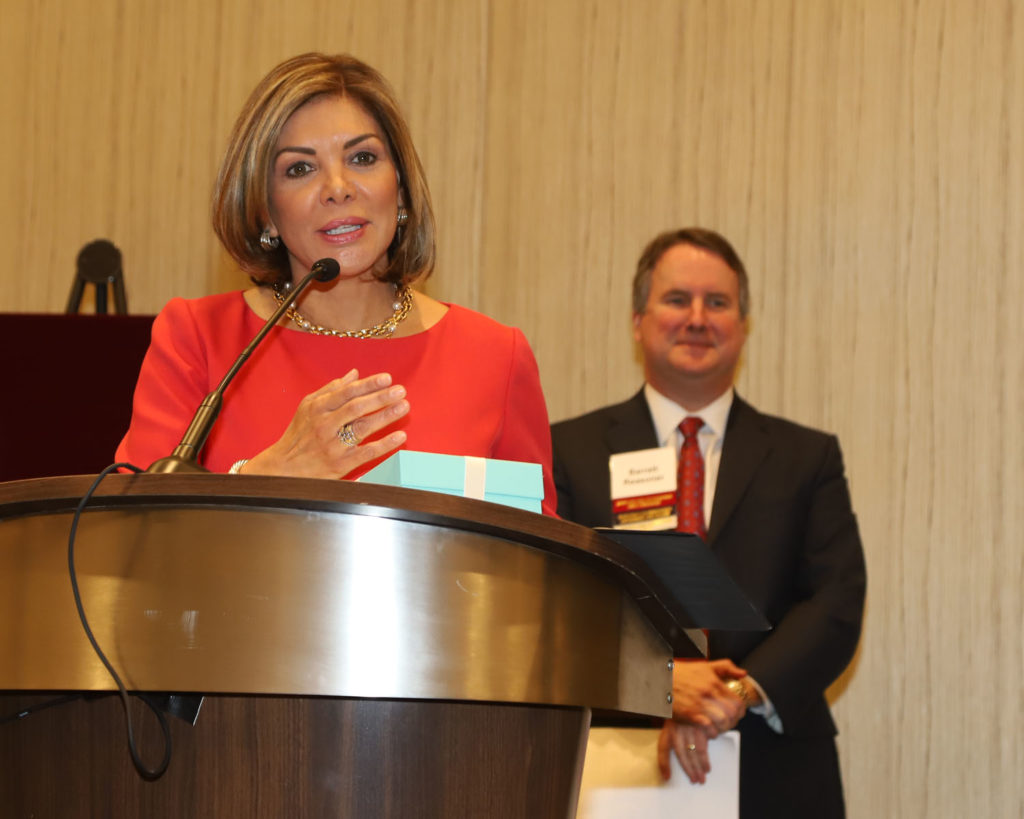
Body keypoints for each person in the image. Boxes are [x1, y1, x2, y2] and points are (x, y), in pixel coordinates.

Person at [117, 52, 556, 515]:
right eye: (300, 169)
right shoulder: (200, 338)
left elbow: (544, 562)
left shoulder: (494, 355)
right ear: (264, 208)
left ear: (401, 188)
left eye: (362, 158)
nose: (338, 187)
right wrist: (266, 477)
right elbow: (132, 540)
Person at [551, 228, 866, 817]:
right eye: (677, 300)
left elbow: (836, 600)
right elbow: (562, 604)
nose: (697, 318)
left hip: (777, 762)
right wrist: (663, 684)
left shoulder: (808, 457)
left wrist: (730, 693)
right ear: (638, 320)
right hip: (622, 753)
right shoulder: (570, 450)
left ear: (743, 326)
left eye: (717, 303)